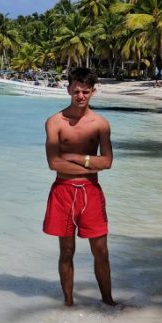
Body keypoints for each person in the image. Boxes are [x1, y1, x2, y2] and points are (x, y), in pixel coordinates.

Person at [43, 67, 116, 307]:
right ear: (68, 91)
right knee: (66, 251)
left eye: (85, 91)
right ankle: (68, 304)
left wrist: (75, 157)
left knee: (101, 251)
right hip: (62, 191)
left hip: (91, 192)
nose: (80, 96)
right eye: (76, 91)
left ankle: (108, 302)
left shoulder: (100, 124)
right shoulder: (54, 122)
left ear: (93, 91)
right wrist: (91, 164)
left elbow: (107, 162)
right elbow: (54, 163)